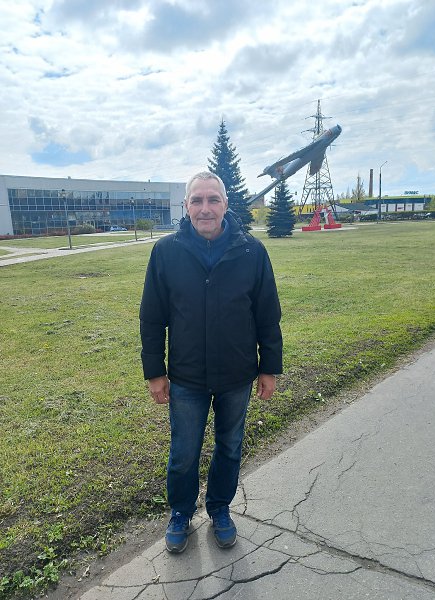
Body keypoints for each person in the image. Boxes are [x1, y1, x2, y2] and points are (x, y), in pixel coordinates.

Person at [140, 171, 282, 553]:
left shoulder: (252, 251)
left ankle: (219, 508)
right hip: (186, 377)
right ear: (186, 206)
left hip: (237, 374)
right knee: (184, 453)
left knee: (230, 447)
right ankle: (181, 512)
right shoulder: (166, 253)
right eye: (197, 200)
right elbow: (151, 318)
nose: (205, 208)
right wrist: (155, 372)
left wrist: (269, 367)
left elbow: (268, 315)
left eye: (213, 200)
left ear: (225, 204)